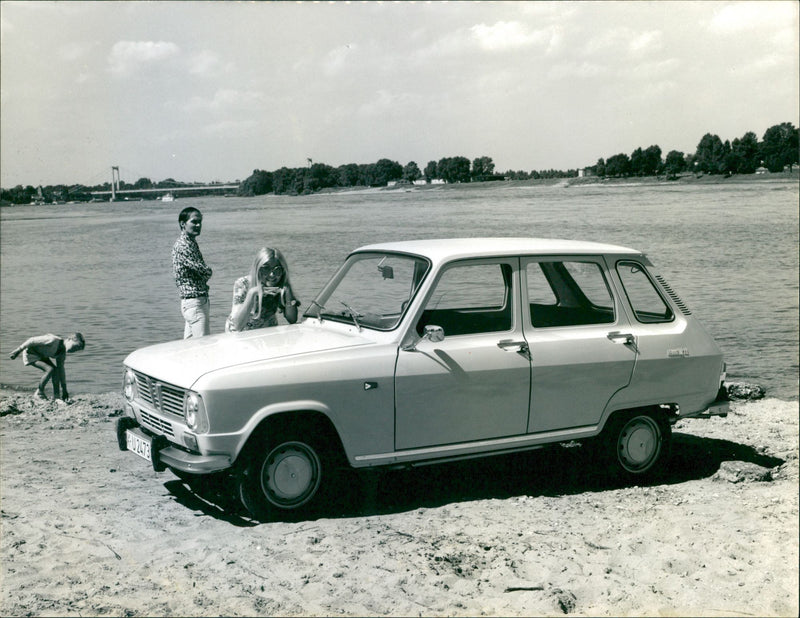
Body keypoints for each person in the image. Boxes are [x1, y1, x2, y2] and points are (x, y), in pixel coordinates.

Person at [225, 247, 300, 332]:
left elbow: (292, 320)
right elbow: (237, 325)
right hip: (240, 333)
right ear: (257, 269)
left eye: (277, 270)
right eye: (266, 269)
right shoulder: (243, 284)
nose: (272, 274)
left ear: (283, 271)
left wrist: (288, 294)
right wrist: (252, 294)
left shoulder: (280, 287)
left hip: (267, 332)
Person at [172, 207, 212, 338]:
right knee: (203, 346)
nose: (198, 225)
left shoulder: (190, 242)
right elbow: (204, 272)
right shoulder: (184, 245)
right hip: (195, 303)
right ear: (183, 224)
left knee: (189, 349)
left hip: (193, 302)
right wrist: (209, 270)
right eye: (194, 222)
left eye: (200, 222)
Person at [8, 332, 85, 401]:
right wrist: (18, 351)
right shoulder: (53, 340)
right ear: (69, 339)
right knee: (50, 369)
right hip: (31, 353)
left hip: (42, 356)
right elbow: (31, 340)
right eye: (75, 346)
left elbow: (61, 370)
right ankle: (39, 393)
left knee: (56, 371)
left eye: (77, 350)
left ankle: (56, 397)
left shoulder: (62, 354)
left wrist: (64, 390)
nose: (74, 350)